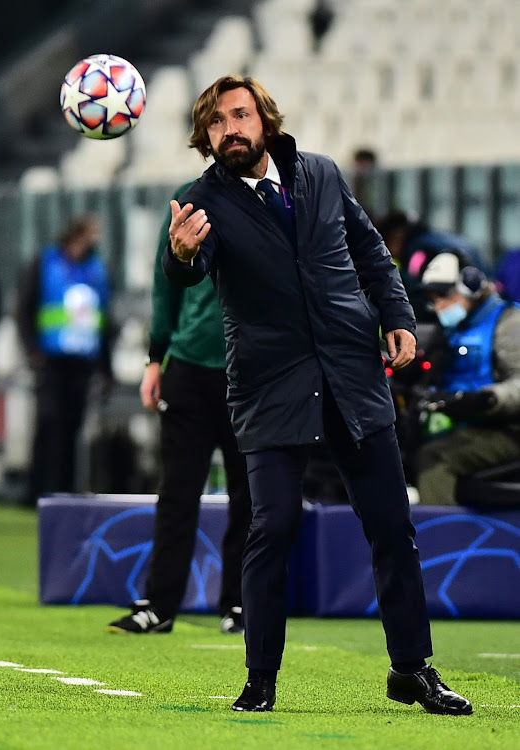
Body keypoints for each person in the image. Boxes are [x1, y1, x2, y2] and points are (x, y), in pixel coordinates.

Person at [163, 75, 472, 715]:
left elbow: (370, 254)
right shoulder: (203, 201)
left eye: (239, 116)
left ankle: (413, 670)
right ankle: (260, 680)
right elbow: (188, 263)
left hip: (352, 375)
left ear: (265, 121)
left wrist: (400, 318)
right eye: (216, 123)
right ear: (205, 138)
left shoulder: (322, 174)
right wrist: (182, 256)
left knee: (392, 526)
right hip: (271, 386)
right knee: (273, 527)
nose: (230, 131)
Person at [107, 184, 252, 636]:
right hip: (188, 368)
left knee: (250, 497)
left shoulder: (271, 204)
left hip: (250, 371)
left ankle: (242, 605)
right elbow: (163, 283)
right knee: (177, 493)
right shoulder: (189, 201)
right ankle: (160, 604)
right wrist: (155, 359)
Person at [16, 214, 113, 506]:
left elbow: (104, 321)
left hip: (81, 360)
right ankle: (38, 489)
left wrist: (105, 367)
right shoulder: (46, 262)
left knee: (72, 426)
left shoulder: (96, 269)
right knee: (50, 424)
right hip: (51, 359)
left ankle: (64, 490)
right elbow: (25, 307)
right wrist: (32, 349)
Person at [415, 252, 520, 505]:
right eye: (434, 300)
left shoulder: (509, 324)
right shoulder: (452, 329)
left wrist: (487, 399)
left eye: (445, 297)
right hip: (466, 426)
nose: (440, 306)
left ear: (470, 286)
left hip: (506, 430)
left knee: (434, 458)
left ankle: (442, 539)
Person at [374, 210, 486, 322]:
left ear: (395, 237)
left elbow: (414, 294)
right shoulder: (434, 238)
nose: (390, 254)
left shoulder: (418, 252)